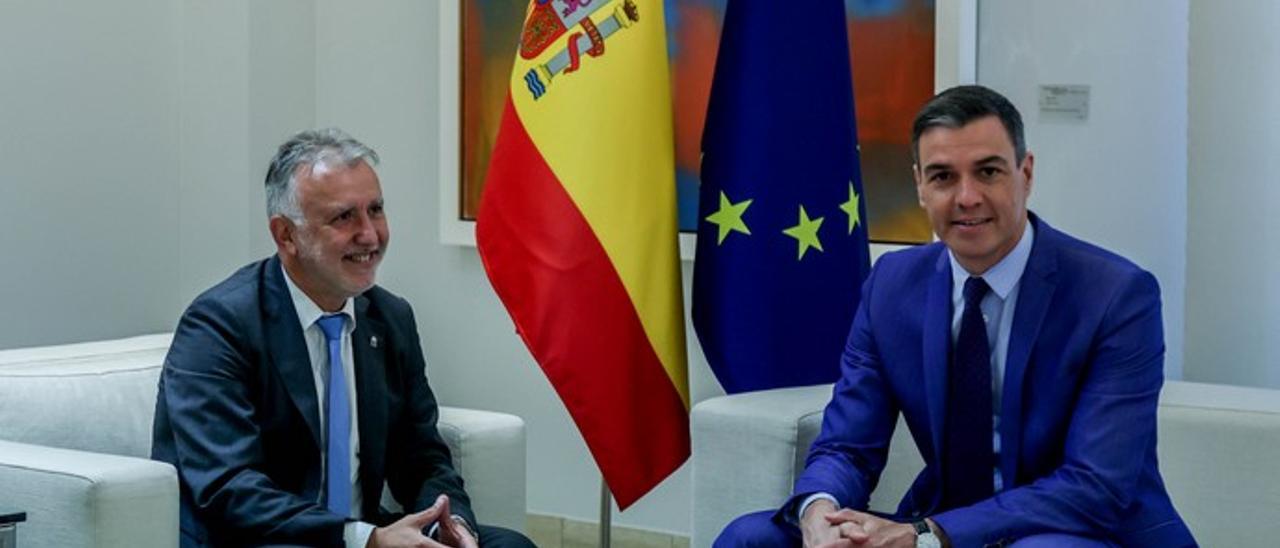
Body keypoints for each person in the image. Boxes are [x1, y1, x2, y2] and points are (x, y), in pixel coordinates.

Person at [716, 86, 1195, 547]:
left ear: (1026, 174)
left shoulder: (1115, 295)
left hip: (1080, 532)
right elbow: (847, 446)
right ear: (920, 187)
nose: (967, 197)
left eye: (988, 172)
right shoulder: (892, 284)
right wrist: (820, 513)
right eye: (943, 176)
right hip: (936, 528)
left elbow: (1094, 488)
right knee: (751, 537)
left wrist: (926, 537)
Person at [152, 128, 534, 548]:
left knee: (509, 546)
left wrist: (446, 523)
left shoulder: (390, 318)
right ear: (286, 235)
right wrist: (366, 538)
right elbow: (228, 487)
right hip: (258, 538)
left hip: (363, 534)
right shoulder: (218, 325)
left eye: (376, 210)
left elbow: (421, 455)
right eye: (344, 217)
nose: (370, 235)